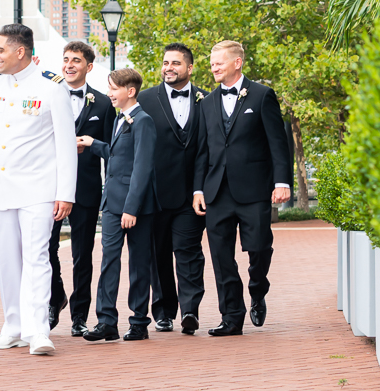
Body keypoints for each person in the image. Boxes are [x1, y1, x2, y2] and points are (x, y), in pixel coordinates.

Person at [0, 24, 76, 356]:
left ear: (19, 51)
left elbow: (66, 145)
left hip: (38, 189)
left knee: (37, 258)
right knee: (7, 261)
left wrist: (65, 193)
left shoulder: (52, 90)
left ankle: (38, 330)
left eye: (0, 49)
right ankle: (13, 326)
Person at [193, 40, 292, 336]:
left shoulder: (262, 95)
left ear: (237, 63)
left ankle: (257, 288)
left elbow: (278, 142)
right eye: (211, 63)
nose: (213, 67)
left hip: (254, 189)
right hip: (216, 192)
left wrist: (282, 181)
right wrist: (198, 189)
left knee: (260, 248)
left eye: (219, 62)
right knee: (221, 257)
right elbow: (202, 150)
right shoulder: (207, 102)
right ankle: (231, 317)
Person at [78, 68, 158, 343]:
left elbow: (142, 168)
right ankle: (106, 322)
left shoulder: (144, 121)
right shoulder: (117, 119)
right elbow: (116, 154)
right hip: (110, 203)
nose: (109, 93)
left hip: (135, 207)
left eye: (113, 88)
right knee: (108, 262)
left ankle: (138, 322)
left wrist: (131, 208)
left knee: (138, 264)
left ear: (130, 91)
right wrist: (92, 144)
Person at [137, 43, 208, 335]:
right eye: (166, 62)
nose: (169, 68)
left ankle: (190, 310)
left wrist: (200, 188)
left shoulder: (208, 99)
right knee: (159, 254)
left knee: (189, 252)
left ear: (189, 68)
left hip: (192, 195)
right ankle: (164, 311)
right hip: (154, 194)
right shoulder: (143, 99)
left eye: (176, 63)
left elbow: (208, 149)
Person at [47, 41, 115, 336]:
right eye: (66, 59)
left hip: (86, 189)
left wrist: (90, 146)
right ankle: (55, 296)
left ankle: (79, 316)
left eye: (76, 60)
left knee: (82, 255)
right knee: (45, 248)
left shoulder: (102, 103)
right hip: (48, 187)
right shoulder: (47, 97)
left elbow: (114, 148)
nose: (69, 64)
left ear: (88, 67)